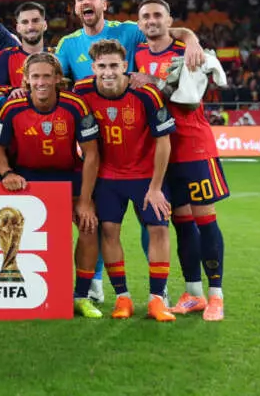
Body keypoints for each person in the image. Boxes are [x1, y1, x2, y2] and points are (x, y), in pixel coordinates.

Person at [0, 53, 103, 318]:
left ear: (58, 79)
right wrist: (6, 173)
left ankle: (82, 297)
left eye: (47, 76)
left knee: (89, 227)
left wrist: (85, 201)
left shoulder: (75, 105)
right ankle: (31, 292)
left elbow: (92, 154)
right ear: (26, 80)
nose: (41, 82)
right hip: (28, 179)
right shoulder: (12, 107)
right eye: (36, 76)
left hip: (68, 175)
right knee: (18, 235)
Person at [135, 0, 227, 321]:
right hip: (161, 152)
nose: (152, 21)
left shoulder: (187, 52)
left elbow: (188, 104)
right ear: (139, 23)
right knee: (182, 224)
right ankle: (194, 293)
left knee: (206, 221)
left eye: (158, 15)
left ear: (169, 19)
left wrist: (188, 39)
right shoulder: (136, 53)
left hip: (193, 147)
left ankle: (216, 295)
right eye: (145, 16)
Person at [73, 40, 177, 322]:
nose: (108, 72)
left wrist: (156, 187)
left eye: (114, 66)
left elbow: (164, 142)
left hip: (145, 176)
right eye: (102, 66)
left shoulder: (146, 94)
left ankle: (157, 299)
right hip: (107, 177)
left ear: (125, 66)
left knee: (158, 229)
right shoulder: (81, 92)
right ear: (94, 67)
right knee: (109, 232)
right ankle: (123, 298)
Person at [55, 0, 203, 85]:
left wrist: (191, 40)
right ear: (75, 8)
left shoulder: (129, 31)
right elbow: (56, 78)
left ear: (104, 5)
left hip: (129, 115)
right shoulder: (67, 43)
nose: (86, 2)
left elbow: (163, 33)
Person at [0, 2, 48, 97]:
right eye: (25, 22)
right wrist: (13, 90)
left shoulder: (57, 54)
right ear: (18, 27)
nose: (30, 27)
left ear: (45, 25)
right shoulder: (5, 55)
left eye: (35, 21)